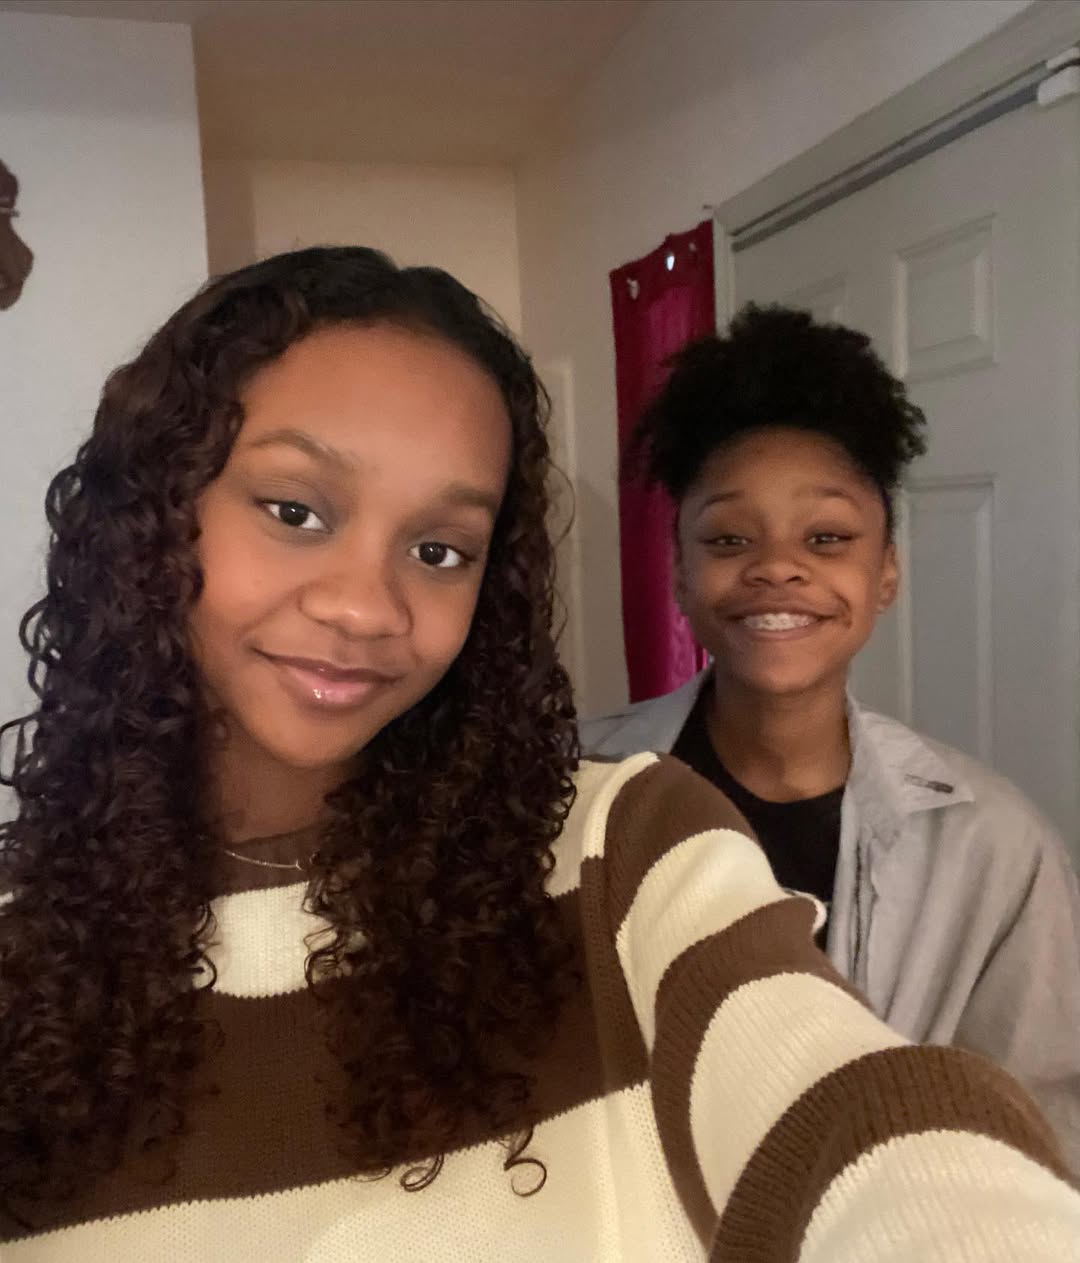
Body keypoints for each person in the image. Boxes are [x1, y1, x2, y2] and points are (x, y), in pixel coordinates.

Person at [1, 252, 1077, 1261]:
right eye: (295, 510)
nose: (367, 606)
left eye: (440, 549)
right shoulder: (27, 945)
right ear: (150, 511)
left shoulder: (623, 842)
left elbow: (874, 1116)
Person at [583, 303, 1080, 1174]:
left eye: (827, 537)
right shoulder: (577, 787)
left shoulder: (994, 848)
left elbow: (1036, 1136)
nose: (779, 566)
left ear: (885, 571)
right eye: (730, 538)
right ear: (681, 573)